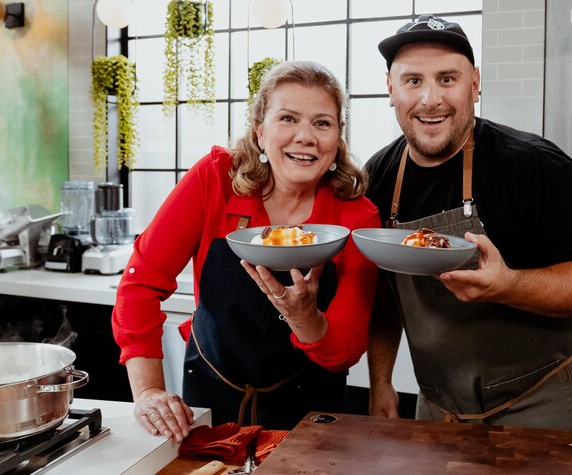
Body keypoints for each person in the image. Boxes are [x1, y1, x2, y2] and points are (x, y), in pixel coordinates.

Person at [364, 15, 572, 432]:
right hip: (439, 411)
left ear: (475, 84)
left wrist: (509, 287)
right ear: (390, 88)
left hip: (543, 405)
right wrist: (381, 381)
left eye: (447, 78)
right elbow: (382, 291)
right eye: (413, 80)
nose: (430, 99)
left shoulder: (534, 165)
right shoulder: (377, 176)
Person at [112, 61, 380, 441]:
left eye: (322, 123)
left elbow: (346, 350)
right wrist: (150, 392)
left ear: (337, 140)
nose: (305, 136)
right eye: (287, 119)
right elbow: (140, 283)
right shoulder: (214, 180)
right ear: (259, 132)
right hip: (209, 399)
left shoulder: (358, 217)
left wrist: (305, 318)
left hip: (311, 413)